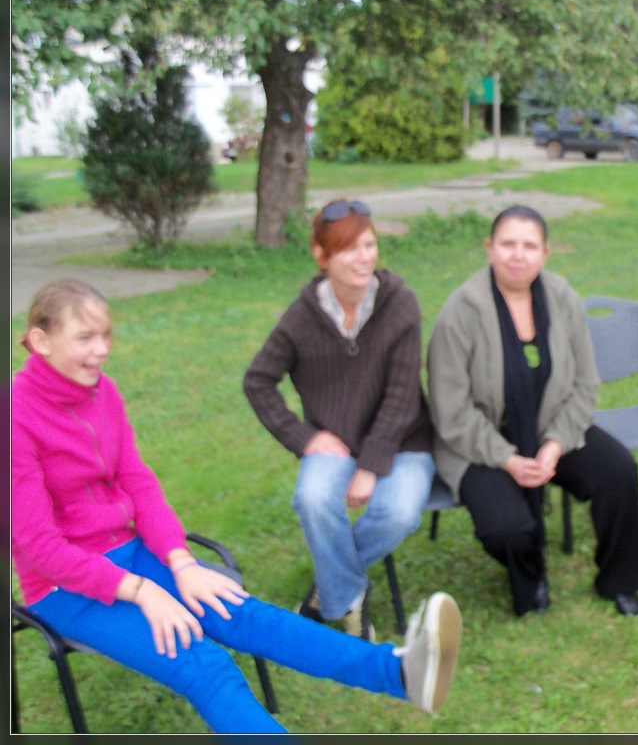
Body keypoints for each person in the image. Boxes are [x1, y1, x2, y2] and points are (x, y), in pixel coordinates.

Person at [11, 278, 462, 734]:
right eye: (84, 338)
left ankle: (401, 672)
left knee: (245, 615)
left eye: (106, 334)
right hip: (63, 587)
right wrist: (143, 591)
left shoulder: (102, 392)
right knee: (205, 665)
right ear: (41, 341)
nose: (102, 349)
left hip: (132, 555)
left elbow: (139, 485)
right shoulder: (16, 418)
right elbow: (41, 549)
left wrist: (182, 563)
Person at [426, 204, 638, 618]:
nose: (518, 255)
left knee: (618, 470)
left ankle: (620, 579)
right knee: (505, 528)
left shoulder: (562, 298)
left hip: (550, 427)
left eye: (530, 246)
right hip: (480, 442)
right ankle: (531, 577)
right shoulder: (461, 311)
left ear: (545, 253)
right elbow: (451, 410)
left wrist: (554, 445)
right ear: (489, 248)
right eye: (508, 244)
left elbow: (585, 384)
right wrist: (509, 460)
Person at [244, 199, 435, 641]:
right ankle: (347, 598)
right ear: (321, 256)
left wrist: (370, 466)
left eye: (369, 245)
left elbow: (403, 394)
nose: (364, 257)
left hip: (404, 440)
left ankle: (329, 590)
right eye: (349, 249)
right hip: (335, 441)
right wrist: (304, 438)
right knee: (312, 498)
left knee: (399, 512)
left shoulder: (400, 303)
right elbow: (257, 381)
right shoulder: (302, 317)